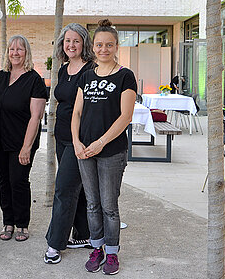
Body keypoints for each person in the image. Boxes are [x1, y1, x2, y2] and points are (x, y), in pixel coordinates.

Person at [71, 19, 137, 275]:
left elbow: (125, 117)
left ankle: (111, 253)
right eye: (99, 44)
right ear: (93, 47)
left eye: (109, 45)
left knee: (109, 206)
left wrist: (100, 143)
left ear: (116, 46)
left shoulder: (125, 76)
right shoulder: (86, 76)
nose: (103, 49)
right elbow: (76, 112)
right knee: (92, 204)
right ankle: (96, 248)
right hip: (84, 151)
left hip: (110, 152)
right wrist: (77, 142)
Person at [44, 23, 95, 264]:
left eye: (76, 40)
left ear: (84, 43)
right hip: (61, 135)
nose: (71, 45)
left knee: (64, 188)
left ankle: (55, 244)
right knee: (79, 188)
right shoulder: (64, 69)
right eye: (67, 41)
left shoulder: (92, 70)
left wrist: (82, 140)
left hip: (81, 139)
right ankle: (85, 234)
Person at [0, 35, 48, 242]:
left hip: (22, 141)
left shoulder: (34, 80)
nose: (15, 53)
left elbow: (36, 116)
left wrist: (26, 147)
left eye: (20, 49)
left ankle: (22, 224)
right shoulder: (0, 76)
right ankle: (8, 222)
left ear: (27, 53)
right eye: (12, 49)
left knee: (18, 181)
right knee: (3, 181)